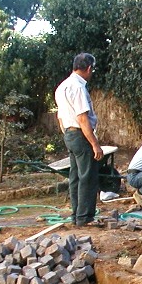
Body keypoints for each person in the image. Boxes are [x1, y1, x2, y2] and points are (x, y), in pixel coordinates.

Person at [55, 52, 102, 227]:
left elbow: (60, 117)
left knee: (75, 176)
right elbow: (82, 118)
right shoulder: (78, 87)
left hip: (69, 133)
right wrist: (95, 144)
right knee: (87, 176)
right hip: (80, 135)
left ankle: (76, 215)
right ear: (89, 68)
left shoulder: (62, 86)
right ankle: (85, 218)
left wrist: (68, 134)